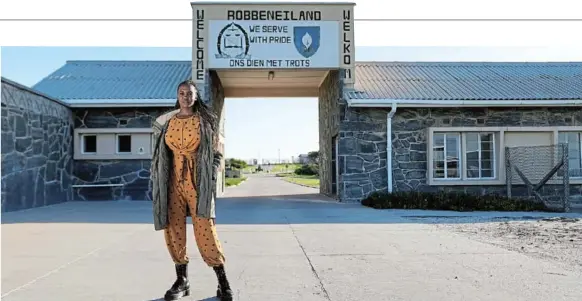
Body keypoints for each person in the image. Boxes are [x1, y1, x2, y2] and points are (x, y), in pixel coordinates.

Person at [150, 79, 233, 301]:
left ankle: (222, 282)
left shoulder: (206, 121)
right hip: (171, 181)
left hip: (198, 181)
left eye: (190, 93)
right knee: (173, 230)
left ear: (196, 97)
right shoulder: (166, 122)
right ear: (177, 96)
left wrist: (212, 172)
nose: (186, 96)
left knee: (205, 228)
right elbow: (158, 153)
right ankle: (182, 280)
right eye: (182, 93)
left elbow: (217, 152)